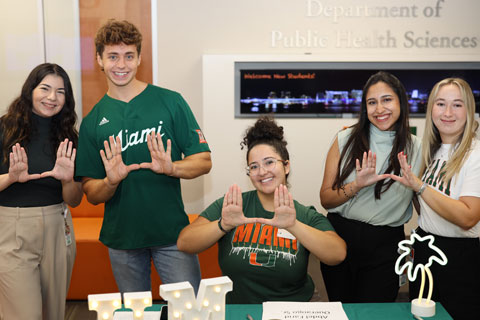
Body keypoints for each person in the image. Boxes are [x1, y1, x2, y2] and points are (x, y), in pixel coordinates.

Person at [74, 19, 211, 294]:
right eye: (113, 56)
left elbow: (204, 160)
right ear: (100, 60)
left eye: (128, 56)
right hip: (122, 240)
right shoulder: (92, 122)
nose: (121, 65)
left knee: (189, 312)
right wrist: (110, 182)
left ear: (139, 58)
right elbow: (91, 191)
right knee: (137, 314)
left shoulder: (170, 101)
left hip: (173, 235)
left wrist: (172, 167)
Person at [177, 116, 346, 304]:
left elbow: (337, 254)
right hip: (240, 310)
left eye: (269, 162)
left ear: (286, 165)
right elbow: (185, 243)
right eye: (254, 167)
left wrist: (293, 225)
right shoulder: (232, 206)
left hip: (292, 310)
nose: (262, 172)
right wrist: (223, 225)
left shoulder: (304, 214)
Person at [319, 71, 422, 303]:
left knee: (377, 313)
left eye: (387, 100)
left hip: (386, 244)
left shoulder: (418, 148)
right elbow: (325, 198)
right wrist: (357, 185)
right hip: (340, 238)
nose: (379, 109)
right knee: (342, 311)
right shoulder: (344, 139)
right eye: (371, 102)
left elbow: (422, 201)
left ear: (401, 102)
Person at [390, 78, 480, 320]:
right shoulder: (433, 151)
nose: (448, 112)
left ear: (469, 110)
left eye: (457, 105)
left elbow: (468, 217)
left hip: (460, 258)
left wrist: (419, 187)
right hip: (425, 250)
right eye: (441, 104)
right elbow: (429, 207)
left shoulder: (476, 154)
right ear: (431, 109)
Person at [0, 63, 82, 320]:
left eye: (60, 92)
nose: (52, 98)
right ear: (30, 90)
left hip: (59, 227)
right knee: (24, 314)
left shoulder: (69, 136)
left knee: (54, 313)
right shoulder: (5, 128)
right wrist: (11, 178)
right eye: (44, 88)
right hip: (12, 229)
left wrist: (68, 180)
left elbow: (75, 200)